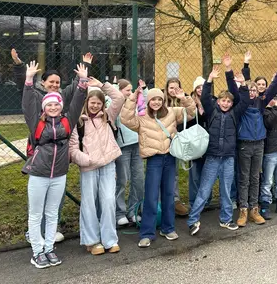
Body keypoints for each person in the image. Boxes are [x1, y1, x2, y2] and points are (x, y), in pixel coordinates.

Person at [13, 49, 93, 244]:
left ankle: (50, 230)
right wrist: (19, 67)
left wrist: (85, 68)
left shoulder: (62, 99)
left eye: (57, 82)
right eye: (51, 82)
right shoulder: (36, 96)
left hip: (60, 154)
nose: (55, 85)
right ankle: (35, 232)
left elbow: (77, 90)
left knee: (56, 197)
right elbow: (24, 89)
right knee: (39, 197)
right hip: (42, 152)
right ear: (43, 83)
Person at [22, 60, 87, 268]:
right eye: (49, 105)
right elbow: (28, 104)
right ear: (44, 107)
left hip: (59, 174)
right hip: (39, 174)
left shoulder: (67, 121)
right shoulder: (36, 123)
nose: (53, 107)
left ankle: (49, 248)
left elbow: (77, 102)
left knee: (52, 214)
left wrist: (83, 81)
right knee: (35, 214)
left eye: (56, 104)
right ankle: (37, 251)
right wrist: (29, 80)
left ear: (61, 106)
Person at [120, 81, 196, 248]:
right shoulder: (141, 118)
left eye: (159, 99)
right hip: (154, 159)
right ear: (148, 101)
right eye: (153, 99)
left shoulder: (171, 112)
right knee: (151, 196)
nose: (156, 102)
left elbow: (191, 113)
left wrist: (184, 98)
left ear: (163, 100)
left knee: (169, 194)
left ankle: (168, 228)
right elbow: (125, 118)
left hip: (170, 157)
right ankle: (147, 233)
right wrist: (133, 97)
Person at [187, 64, 248, 236]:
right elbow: (205, 97)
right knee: (204, 190)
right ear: (218, 101)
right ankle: (192, 220)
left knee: (226, 191)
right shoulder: (212, 111)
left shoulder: (235, 114)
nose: (226, 103)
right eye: (223, 101)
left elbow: (244, 101)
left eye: (229, 101)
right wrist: (209, 79)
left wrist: (243, 84)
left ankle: (226, 219)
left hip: (228, 158)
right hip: (213, 157)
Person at [69, 79, 125, 255]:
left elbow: (119, 98)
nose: (95, 106)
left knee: (108, 201)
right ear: (86, 102)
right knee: (89, 203)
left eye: (98, 103)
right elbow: (72, 148)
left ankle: (110, 239)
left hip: (108, 165)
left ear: (103, 104)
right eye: (92, 102)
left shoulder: (108, 116)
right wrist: (86, 159)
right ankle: (92, 241)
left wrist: (102, 85)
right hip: (89, 167)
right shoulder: (78, 122)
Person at [236, 55, 277, 226]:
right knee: (244, 179)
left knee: (255, 178)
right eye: (250, 90)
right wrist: (246, 66)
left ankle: (254, 209)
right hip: (245, 145)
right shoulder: (243, 104)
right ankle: (243, 210)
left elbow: (272, 88)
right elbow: (244, 87)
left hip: (259, 144)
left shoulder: (260, 103)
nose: (252, 92)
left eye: (254, 90)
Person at [115, 79, 145, 227]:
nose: (130, 92)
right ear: (119, 90)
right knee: (122, 179)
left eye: (131, 89)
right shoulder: (115, 104)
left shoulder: (135, 103)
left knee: (138, 179)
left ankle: (133, 210)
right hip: (123, 147)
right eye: (127, 90)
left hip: (137, 145)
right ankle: (119, 212)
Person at [162, 77, 191, 217]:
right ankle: (161, 201)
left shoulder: (182, 100)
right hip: (161, 141)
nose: (174, 91)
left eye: (176, 87)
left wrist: (183, 98)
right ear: (166, 89)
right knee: (159, 172)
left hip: (177, 141)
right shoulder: (160, 101)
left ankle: (175, 200)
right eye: (171, 88)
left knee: (174, 172)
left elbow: (191, 113)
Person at [186, 76, 210, 211]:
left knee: (207, 173)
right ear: (195, 89)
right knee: (194, 174)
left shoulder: (211, 101)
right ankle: (194, 201)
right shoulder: (190, 102)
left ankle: (206, 200)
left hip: (207, 141)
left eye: (203, 87)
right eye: (198, 87)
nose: (201, 89)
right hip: (194, 142)